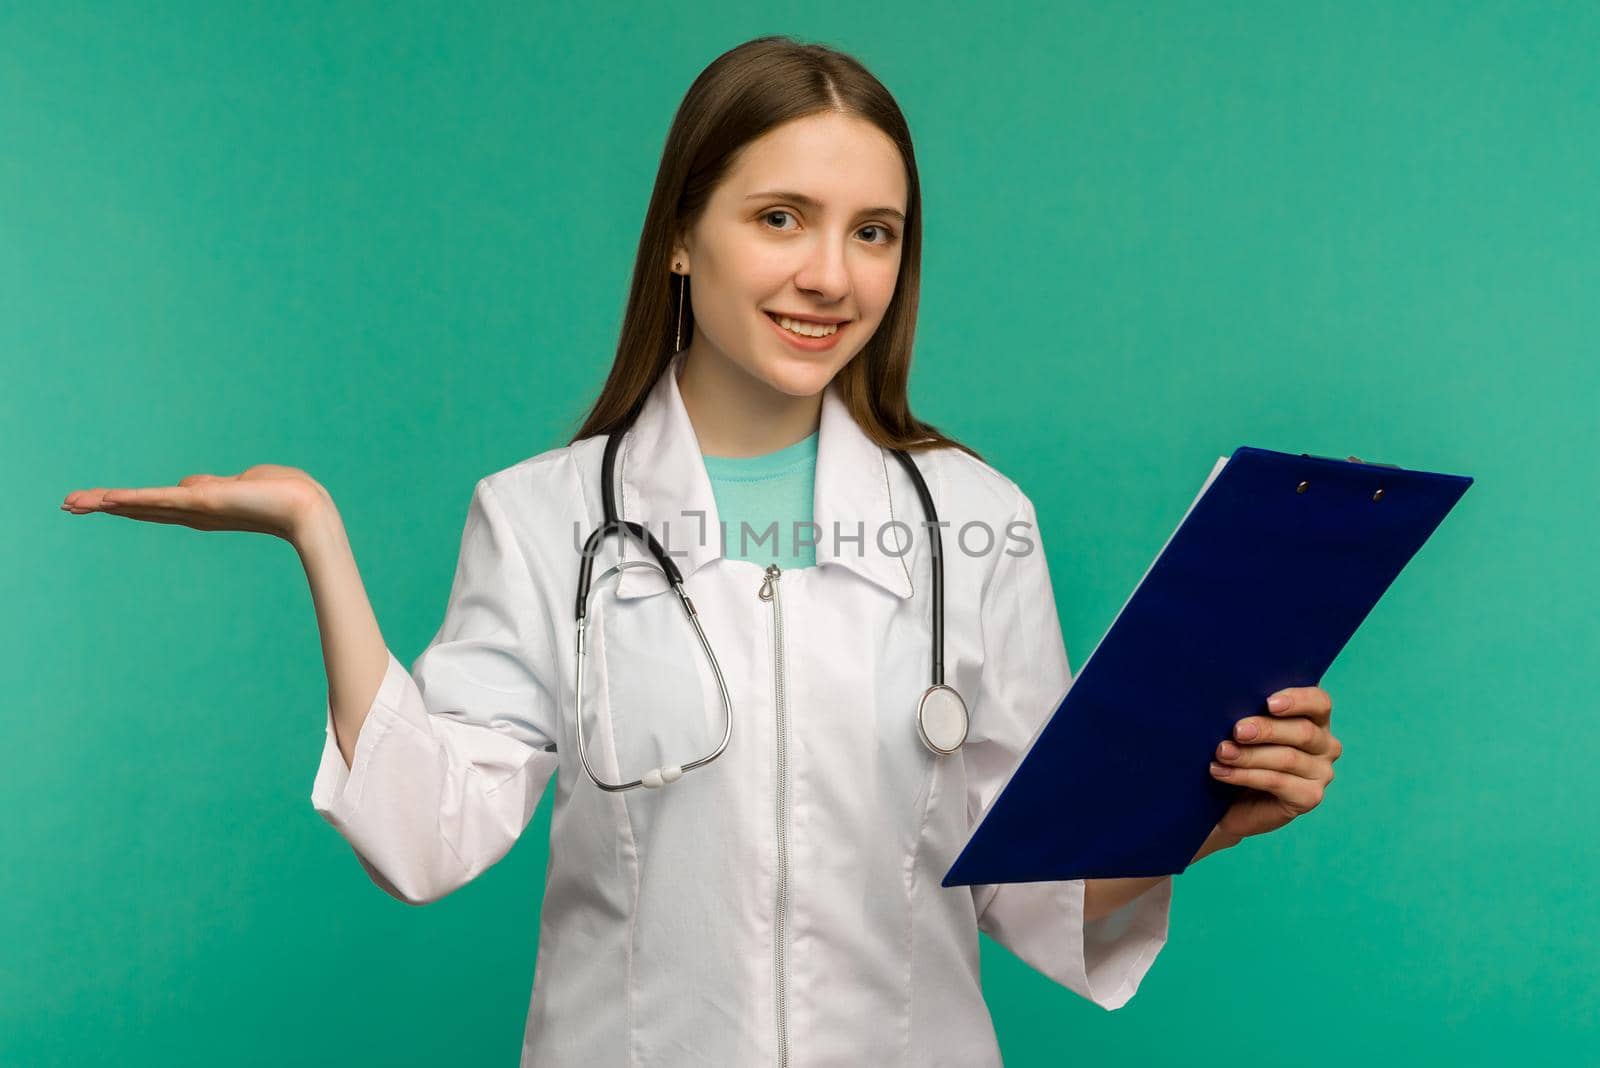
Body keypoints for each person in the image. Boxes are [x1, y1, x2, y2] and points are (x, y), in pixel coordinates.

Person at [61, 34, 1342, 1067]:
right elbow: (422, 837)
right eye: (780, 217)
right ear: (682, 234)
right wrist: (317, 538)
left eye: (873, 230)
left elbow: (1026, 888)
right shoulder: (542, 514)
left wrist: (1203, 820)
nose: (829, 275)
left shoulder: (974, 517)